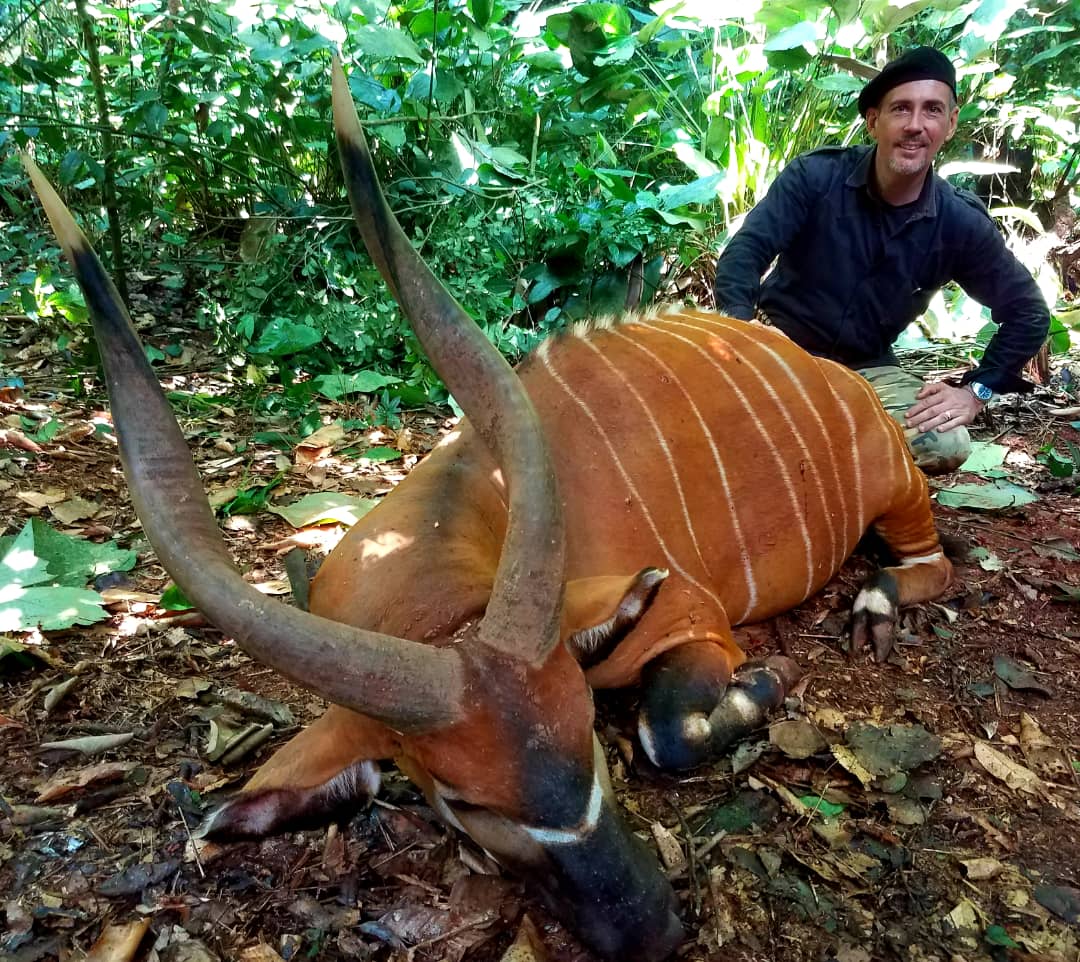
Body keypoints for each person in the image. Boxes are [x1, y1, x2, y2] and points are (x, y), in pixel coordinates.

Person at [713, 46, 1050, 473]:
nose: (915, 125)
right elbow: (746, 251)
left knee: (943, 443)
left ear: (950, 124)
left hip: (867, 371)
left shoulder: (958, 223)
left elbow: (1029, 312)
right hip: (777, 351)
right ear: (874, 121)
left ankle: (820, 461)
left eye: (932, 110)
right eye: (901, 108)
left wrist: (975, 392)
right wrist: (743, 332)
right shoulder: (815, 178)